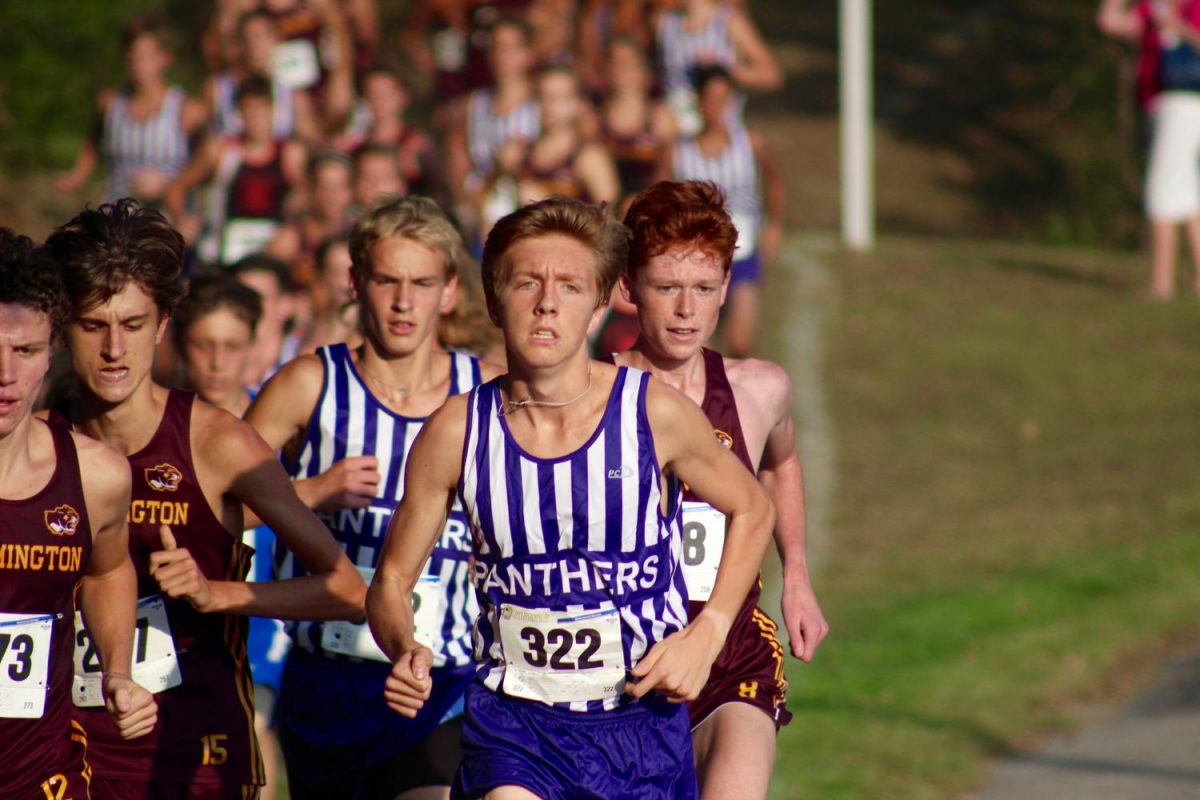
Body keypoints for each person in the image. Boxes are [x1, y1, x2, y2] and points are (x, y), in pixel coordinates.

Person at [366, 196, 776, 799]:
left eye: (569, 286)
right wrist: (404, 647)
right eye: (527, 282)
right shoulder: (455, 432)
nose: (547, 303)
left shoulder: (653, 413)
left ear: (599, 305)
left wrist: (707, 632)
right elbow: (391, 582)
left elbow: (753, 507)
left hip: (639, 723)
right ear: (494, 296)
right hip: (514, 725)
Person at [42, 199, 366, 800]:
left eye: (134, 325)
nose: (115, 349)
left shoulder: (217, 442)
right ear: (64, 327)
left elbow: (348, 591)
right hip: (60, 745)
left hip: (193, 748)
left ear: (163, 326)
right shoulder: (35, 444)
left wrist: (216, 594)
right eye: (94, 325)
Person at [245, 195, 500, 800]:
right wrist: (309, 493)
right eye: (387, 280)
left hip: (443, 679)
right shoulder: (309, 383)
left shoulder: (486, 391)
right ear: (356, 283)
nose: (403, 302)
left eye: (421, 283)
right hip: (326, 677)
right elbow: (218, 508)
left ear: (449, 291)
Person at [614, 180, 828, 800]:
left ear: (726, 290)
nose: (686, 310)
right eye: (667, 288)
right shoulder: (595, 394)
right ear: (628, 288)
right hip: (620, 664)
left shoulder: (759, 389)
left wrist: (799, 577)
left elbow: (780, 466)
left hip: (730, 650)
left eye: (704, 289)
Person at [0, 228, 156, 800]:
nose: (5, 374)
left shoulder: (97, 477)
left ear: (52, 351)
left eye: (26, 351)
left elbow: (107, 570)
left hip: (45, 775)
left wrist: (117, 670)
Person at [173, 272, 292, 799]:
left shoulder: (283, 427)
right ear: (179, 345)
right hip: (174, 620)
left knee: (253, 725)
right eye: (204, 345)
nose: (218, 363)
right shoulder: (160, 424)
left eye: (232, 347)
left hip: (258, 610)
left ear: (255, 347)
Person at [664, 65, 782, 357]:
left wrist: (774, 225)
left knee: (740, 344)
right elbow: (660, 195)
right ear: (698, 102)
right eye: (710, 99)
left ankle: (735, 400)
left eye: (724, 100)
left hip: (742, 252)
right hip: (695, 256)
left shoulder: (749, 143)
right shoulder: (678, 150)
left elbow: (775, 180)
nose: (717, 108)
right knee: (699, 346)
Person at [1098, 0, 1200, 298]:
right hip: (1162, 106)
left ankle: (1161, 284)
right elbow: (1110, 23)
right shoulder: (1151, 8)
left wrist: (1180, 29)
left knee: (1161, 192)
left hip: (1184, 103)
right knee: (1185, 193)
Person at [56, 15, 208, 204]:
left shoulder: (186, 110)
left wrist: (173, 185)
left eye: (144, 57)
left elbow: (206, 160)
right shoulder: (110, 104)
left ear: (164, 58)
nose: (137, 64)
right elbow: (93, 141)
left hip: (166, 219)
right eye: (132, 56)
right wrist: (78, 176)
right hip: (117, 214)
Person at [166, 75, 308, 266]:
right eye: (249, 111)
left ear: (273, 110)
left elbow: (307, 197)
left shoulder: (290, 154)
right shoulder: (220, 150)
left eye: (261, 110)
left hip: (273, 246)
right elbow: (178, 187)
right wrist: (182, 219)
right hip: (222, 246)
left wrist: (293, 223)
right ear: (238, 113)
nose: (256, 118)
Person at [494, 66, 619, 208]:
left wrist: (545, 204)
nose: (549, 105)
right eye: (543, 97)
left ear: (578, 104)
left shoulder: (590, 157)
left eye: (559, 98)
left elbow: (608, 219)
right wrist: (504, 171)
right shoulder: (519, 152)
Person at [655, 0, 781, 135]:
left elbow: (771, 75)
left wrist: (722, 70)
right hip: (675, 131)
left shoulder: (728, 21)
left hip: (719, 129)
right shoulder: (665, 21)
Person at [230, 253, 307, 390]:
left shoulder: (305, 362)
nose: (248, 306)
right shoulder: (217, 364)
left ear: (286, 305)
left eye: (257, 297)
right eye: (238, 297)